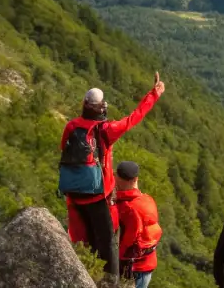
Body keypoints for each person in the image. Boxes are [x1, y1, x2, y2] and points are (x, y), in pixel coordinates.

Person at [60, 74, 165, 275]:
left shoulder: (71, 126)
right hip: (99, 196)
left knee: (83, 241)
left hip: (73, 196)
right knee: (108, 244)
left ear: (84, 104)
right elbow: (134, 118)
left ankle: (85, 278)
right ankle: (111, 286)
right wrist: (154, 94)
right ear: (102, 107)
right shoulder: (105, 130)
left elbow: (63, 150)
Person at [114, 161, 163, 288]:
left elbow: (127, 242)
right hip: (148, 263)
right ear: (136, 179)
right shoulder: (147, 200)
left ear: (116, 177)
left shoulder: (125, 208)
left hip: (132, 268)